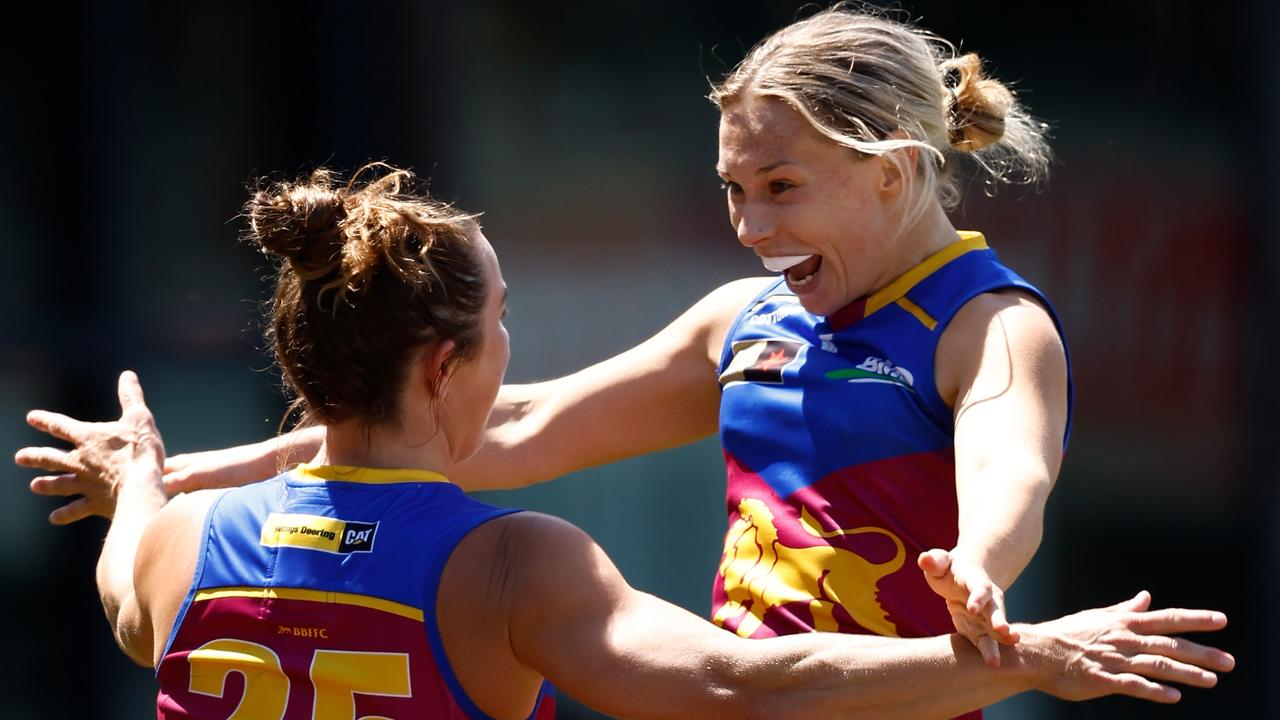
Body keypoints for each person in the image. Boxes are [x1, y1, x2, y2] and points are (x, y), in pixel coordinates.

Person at [17, 165, 1235, 719]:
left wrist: (144, 474)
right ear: (445, 365)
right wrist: (1017, 657)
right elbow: (742, 682)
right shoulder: (512, 570)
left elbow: (129, 546)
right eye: (501, 324)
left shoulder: (172, 551)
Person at [148, 4, 1067, 690]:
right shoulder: (742, 320)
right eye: (732, 188)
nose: (748, 225)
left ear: (894, 170)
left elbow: (1010, 473)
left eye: (780, 186)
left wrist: (980, 565)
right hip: (747, 703)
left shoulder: (989, 324)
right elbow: (515, 423)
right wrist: (193, 476)